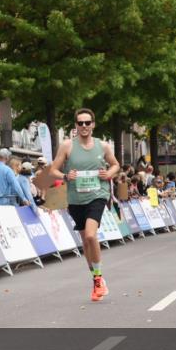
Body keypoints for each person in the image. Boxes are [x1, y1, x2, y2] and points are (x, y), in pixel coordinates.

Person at [49, 108, 120, 302]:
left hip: (98, 195)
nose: (84, 126)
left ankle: (98, 279)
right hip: (76, 199)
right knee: (85, 242)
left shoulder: (103, 146)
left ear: (93, 125)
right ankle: (96, 279)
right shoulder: (67, 146)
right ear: (76, 126)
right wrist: (66, 176)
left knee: (90, 235)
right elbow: (53, 170)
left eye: (87, 123)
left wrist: (108, 173)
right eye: (80, 123)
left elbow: (115, 164)